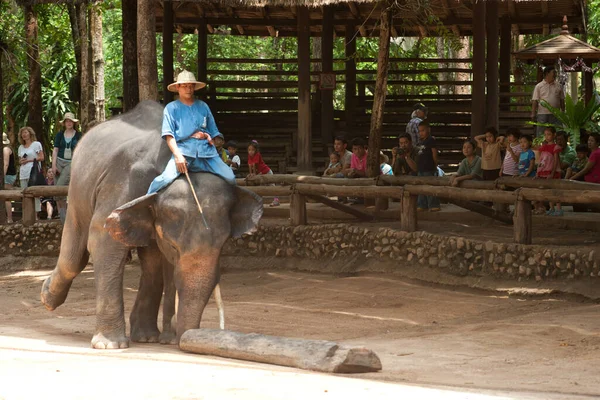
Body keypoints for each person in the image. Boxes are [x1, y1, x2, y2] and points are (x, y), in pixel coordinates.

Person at [147, 70, 235, 194]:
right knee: (164, 179)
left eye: (191, 86)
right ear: (178, 87)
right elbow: (169, 136)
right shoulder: (171, 108)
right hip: (184, 153)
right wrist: (178, 156)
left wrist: (208, 136)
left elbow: (215, 134)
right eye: (185, 86)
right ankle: (144, 203)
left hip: (207, 155)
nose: (188, 89)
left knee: (230, 177)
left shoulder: (203, 106)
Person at [52, 112, 83, 223]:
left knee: (59, 188)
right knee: (58, 192)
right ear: (64, 123)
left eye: (70, 121)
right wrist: (53, 165)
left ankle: (67, 219)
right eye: (67, 121)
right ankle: (63, 218)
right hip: (59, 162)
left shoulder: (78, 135)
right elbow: (55, 150)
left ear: (74, 123)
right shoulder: (59, 135)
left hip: (71, 163)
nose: (69, 123)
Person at [17, 126, 44, 217]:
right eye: (22, 133)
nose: (24, 134)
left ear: (30, 133)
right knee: (24, 194)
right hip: (23, 173)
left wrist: (29, 160)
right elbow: (20, 160)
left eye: (25, 132)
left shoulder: (36, 144)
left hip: (33, 172)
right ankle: (26, 216)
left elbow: (41, 157)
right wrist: (22, 161)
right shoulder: (20, 147)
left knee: (33, 193)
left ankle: (36, 216)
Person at [531, 66, 565, 137]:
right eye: (553, 73)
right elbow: (535, 100)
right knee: (541, 133)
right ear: (547, 74)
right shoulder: (539, 86)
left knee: (558, 131)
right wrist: (533, 113)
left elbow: (562, 100)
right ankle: (541, 147)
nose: (555, 74)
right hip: (542, 113)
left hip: (556, 114)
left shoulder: (558, 86)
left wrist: (563, 112)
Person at [536, 127, 562, 216]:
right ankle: (551, 208)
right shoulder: (543, 147)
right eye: (545, 135)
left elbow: (555, 161)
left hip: (552, 172)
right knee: (548, 191)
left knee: (555, 190)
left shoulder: (555, 147)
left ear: (554, 135)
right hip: (544, 171)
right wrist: (538, 172)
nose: (547, 136)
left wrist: (552, 172)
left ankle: (559, 209)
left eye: (549, 134)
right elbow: (541, 160)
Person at [416, 120, 440, 212]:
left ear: (428, 130)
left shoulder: (431, 140)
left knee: (430, 187)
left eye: (423, 130)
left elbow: (434, 153)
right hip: (421, 168)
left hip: (429, 168)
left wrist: (435, 164)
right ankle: (422, 205)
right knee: (421, 188)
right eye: (419, 131)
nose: (421, 133)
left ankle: (434, 205)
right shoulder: (421, 142)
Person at [247, 140, 279, 206]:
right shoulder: (249, 156)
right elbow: (250, 165)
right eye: (249, 150)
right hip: (260, 174)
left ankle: (276, 200)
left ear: (256, 150)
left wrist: (254, 174)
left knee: (272, 186)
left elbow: (254, 164)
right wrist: (251, 174)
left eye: (252, 150)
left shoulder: (257, 155)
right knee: (260, 188)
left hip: (267, 172)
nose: (251, 151)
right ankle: (258, 203)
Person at [3, 133, 16, 223]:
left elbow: (6, 164)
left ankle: (9, 218)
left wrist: (2, 176)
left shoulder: (6, 149)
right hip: (8, 175)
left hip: (7, 175)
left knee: (6, 196)